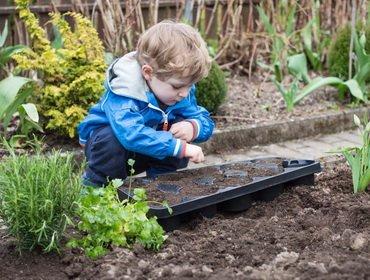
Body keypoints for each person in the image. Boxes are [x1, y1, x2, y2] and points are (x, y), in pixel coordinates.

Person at [78, 20, 215, 187]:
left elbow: (202, 117)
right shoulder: (124, 91)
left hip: (148, 148)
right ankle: (97, 191)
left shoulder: (179, 92)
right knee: (110, 140)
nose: (185, 93)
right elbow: (131, 134)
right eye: (178, 86)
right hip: (112, 152)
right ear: (148, 73)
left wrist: (193, 127)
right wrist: (180, 148)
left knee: (177, 130)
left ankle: (161, 185)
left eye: (190, 85)